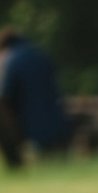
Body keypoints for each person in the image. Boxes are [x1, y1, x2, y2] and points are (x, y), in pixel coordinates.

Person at [0, 27, 71, 168]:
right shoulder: (41, 55)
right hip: (60, 126)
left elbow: (5, 98)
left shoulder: (11, 60)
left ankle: (16, 165)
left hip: (31, 130)